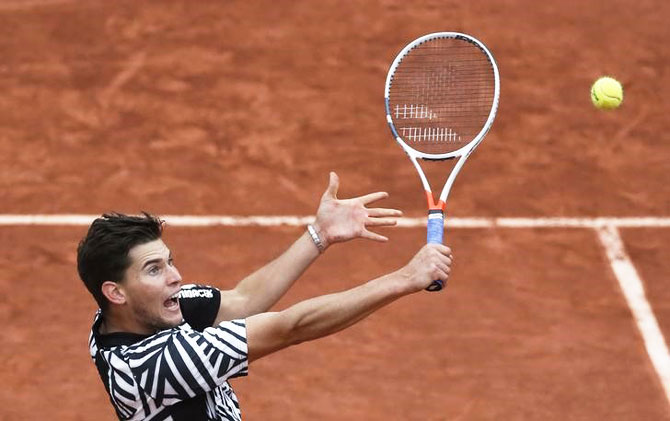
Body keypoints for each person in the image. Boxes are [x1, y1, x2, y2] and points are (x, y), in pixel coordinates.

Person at [78, 172, 454, 421]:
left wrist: (319, 235)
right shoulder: (151, 367)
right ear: (116, 292)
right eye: (154, 269)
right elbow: (291, 327)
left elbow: (243, 300)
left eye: (169, 261)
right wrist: (406, 278)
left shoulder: (132, 315)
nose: (176, 277)